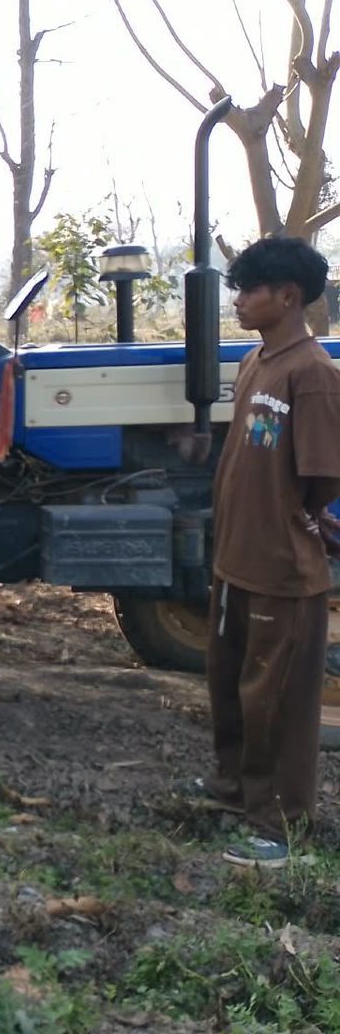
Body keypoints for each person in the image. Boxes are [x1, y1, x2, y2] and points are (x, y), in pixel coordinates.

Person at [192, 236, 340, 868]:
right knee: (228, 682)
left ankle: (279, 825)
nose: (239, 300)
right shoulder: (258, 360)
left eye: (250, 290)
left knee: (274, 697)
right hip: (236, 561)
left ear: (288, 297)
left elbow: (325, 477)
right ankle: (234, 789)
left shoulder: (314, 376)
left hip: (282, 567)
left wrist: (294, 520)